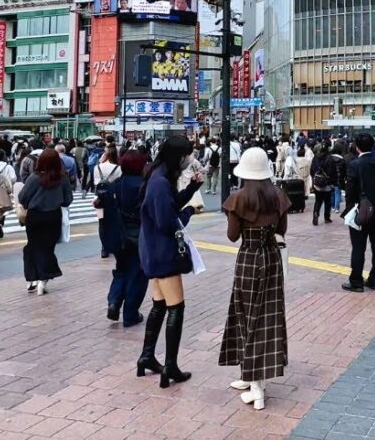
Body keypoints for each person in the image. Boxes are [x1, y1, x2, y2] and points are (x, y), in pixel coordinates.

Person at [219, 147, 289, 411]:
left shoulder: (237, 199)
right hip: (271, 258)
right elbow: (281, 230)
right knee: (269, 315)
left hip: (248, 258)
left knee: (246, 314)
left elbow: (232, 236)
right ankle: (252, 375)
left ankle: (256, 386)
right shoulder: (278, 196)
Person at [136, 136, 204, 388]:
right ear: (178, 156)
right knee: (176, 306)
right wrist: (189, 212)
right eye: (187, 154)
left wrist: (191, 190)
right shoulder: (161, 182)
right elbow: (168, 221)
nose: (189, 159)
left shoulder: (157, 176)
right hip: (163, 251)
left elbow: (167, 206)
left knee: (159, 304)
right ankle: (170, 366)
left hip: (151, 248)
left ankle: (146, 356)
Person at [18, 149, 74, 295]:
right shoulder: (62, 179)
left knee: (33, 245)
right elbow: (68, 200)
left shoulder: (34, 178)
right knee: (47, 248)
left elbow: (22, 197)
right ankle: (43, 279)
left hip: (35, 216)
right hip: (53, 217)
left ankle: (32, 279)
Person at [106, 150, 150, 328]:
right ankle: (130, 314)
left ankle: (114, 301)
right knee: (137, 275)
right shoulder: (144, 185)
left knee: (121, 269)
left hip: (119, 236)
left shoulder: (115, 184)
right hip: (138, 236)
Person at [342, 133, 375, 291]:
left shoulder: (354, 165)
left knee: (358, 247)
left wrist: (349, 210)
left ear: (357, 147)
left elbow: (349, 190)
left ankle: (356, 281)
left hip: (359, 210)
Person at [309, 145, 336, 226]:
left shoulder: (315, 158)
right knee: (327, 202)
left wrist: (315, 179)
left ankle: (316, 213)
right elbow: (333, 172)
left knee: (318, 201)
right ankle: (327, 218)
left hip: (317, 184)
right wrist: (333, 182)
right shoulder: (330, 159)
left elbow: (312, 170)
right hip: (327, 184)